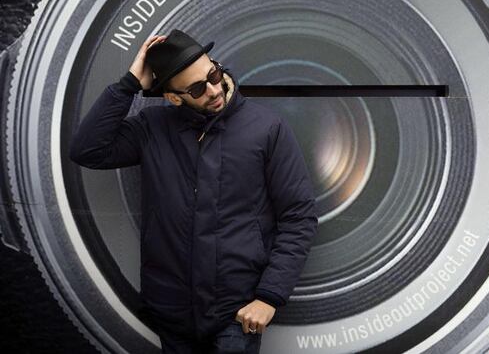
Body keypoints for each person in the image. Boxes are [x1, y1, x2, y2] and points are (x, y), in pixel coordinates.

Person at [69, 30, 318, 353]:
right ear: (173, 97)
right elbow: (88, 150)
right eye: (198, 89)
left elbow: (299, 217)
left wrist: (268, 296)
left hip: (237, 312)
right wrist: (129, 84)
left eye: (213, 74)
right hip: (172, 311)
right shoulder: (151, 128)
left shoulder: (266, 128)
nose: (214, 89)